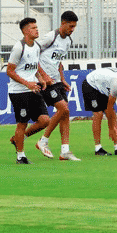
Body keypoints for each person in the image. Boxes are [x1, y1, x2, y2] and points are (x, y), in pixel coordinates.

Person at [36, 11, 81, 161]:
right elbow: (33, 55)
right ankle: (43, 141)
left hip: (57, 81)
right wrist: (43, 76)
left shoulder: (68, 41)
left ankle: (65, 151)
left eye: (74, 27)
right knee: (63, 109)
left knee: (65, 114)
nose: (72, 29)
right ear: (63, 23)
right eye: (71, 26)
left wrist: (63, 79)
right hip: (45, 82)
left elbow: (59, 62)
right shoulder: (51, 37)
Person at [7, 18, 52, 164]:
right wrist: (27, 84)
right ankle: (21, 156)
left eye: (37, 27)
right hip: (19, 92)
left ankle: (18, 139)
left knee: (45, 120)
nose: (37, 30)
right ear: (26, 31)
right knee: (22, 123)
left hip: (33, 89)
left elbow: (34, 65)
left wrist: (40, 78)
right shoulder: (19, 47)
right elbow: (9, 71)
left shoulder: (36, 46)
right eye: (33, 28)